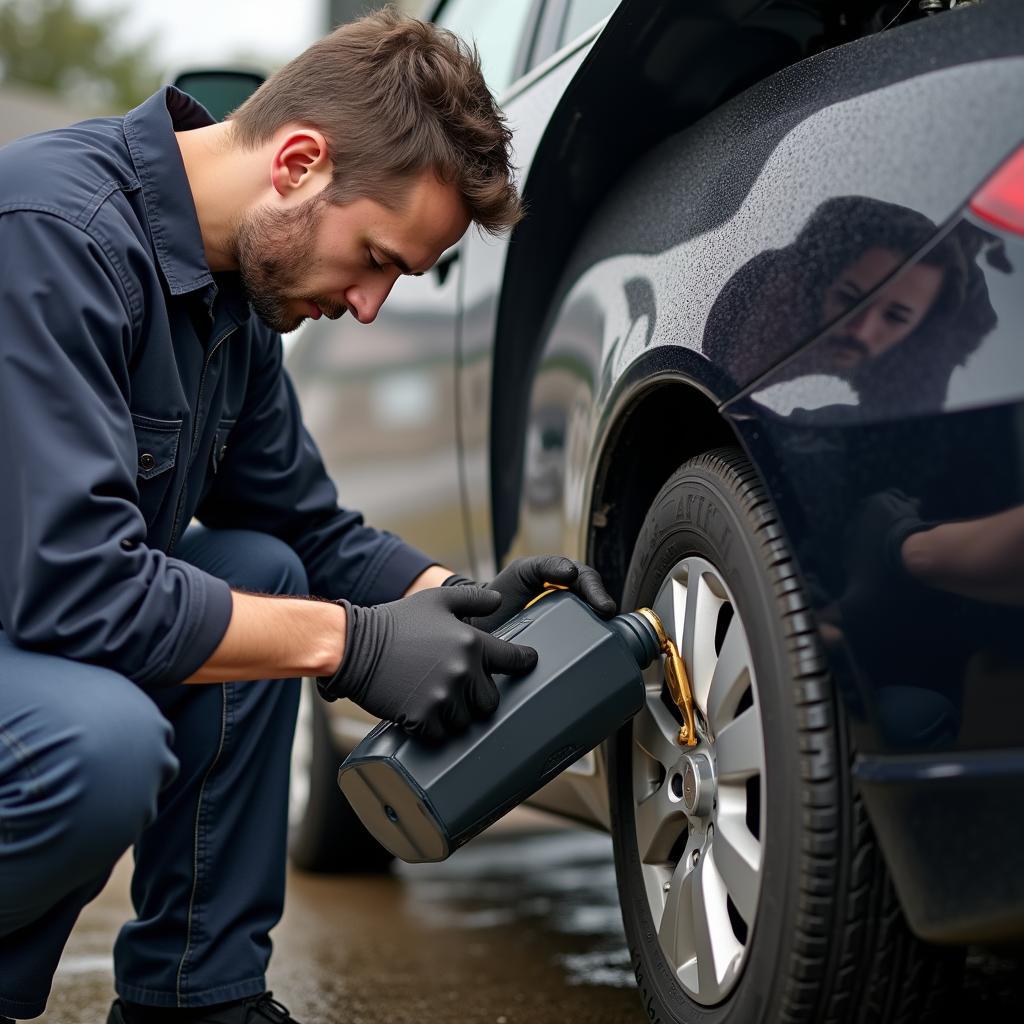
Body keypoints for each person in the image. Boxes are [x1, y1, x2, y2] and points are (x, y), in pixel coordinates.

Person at [0, 10, 616, 1023]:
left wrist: (454, 603)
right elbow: (79, 589)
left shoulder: (234, 298)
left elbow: (311, 531)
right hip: (37, 635)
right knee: (98, 746)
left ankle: (196, 1000)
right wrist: (351, 644)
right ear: (297, 162)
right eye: (375, 257)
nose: (371, 306)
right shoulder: (52, 237)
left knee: (266, 566)